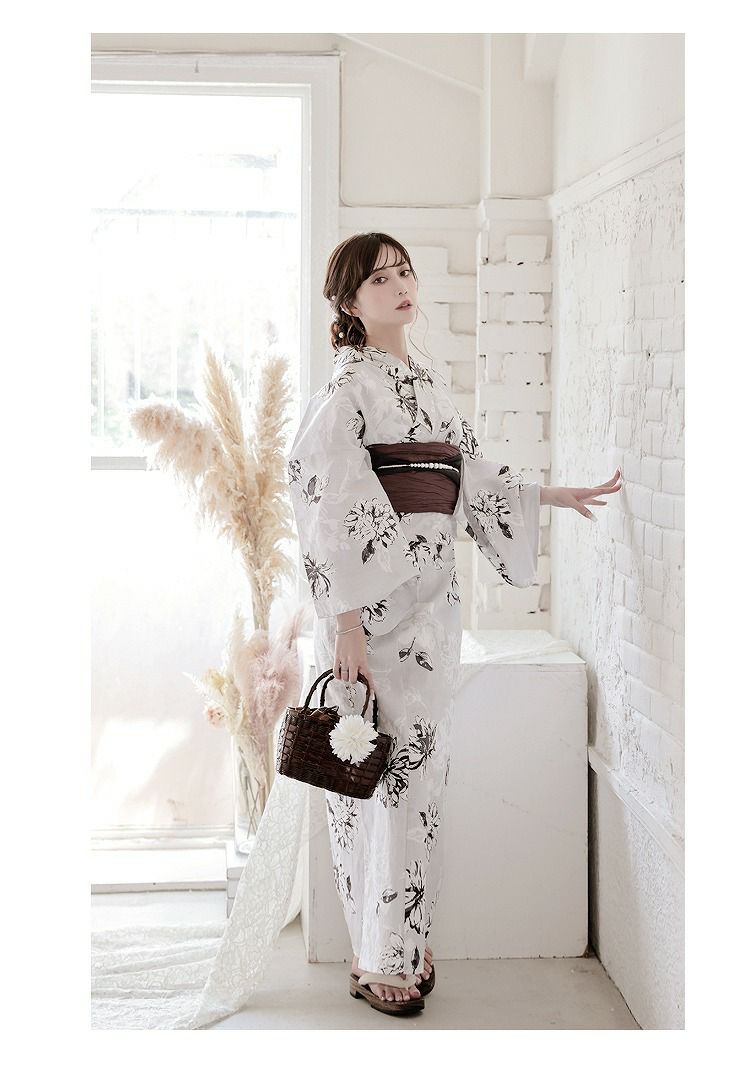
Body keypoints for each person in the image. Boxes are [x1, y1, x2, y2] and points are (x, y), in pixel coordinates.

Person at [287, 231, 622, 1015]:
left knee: (420, 771)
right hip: (371, 614)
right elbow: (324, 499)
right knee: (377, 777)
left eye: (405, 271)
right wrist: (345, 624)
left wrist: (549, 496)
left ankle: (402, 939)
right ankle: (381, 955)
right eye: (380, 279)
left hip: (431, 607)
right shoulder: (348, 389)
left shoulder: (427, 382)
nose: (400, 285)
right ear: (349, 301)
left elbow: (468, 474)